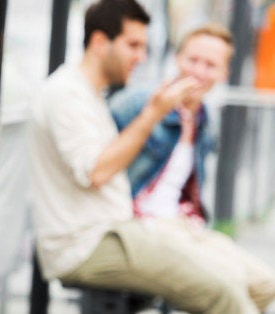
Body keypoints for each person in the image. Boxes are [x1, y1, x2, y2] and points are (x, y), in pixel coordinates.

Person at [29, 0, 265, 313]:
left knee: (261, 286)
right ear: (100, 42)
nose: (141, 57)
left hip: (120, 229)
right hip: (90, 242)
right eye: (133, 45)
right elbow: (97, 172)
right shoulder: (66, 94)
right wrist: (153, 113)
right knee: (226, 294)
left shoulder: (87, 93)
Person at [110, 23, 275, 311]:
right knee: (231, 289)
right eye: (193, 60)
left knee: (264, 283)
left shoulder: (204, 120)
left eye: (210, 65)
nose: (198, 71)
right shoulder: (139, 102)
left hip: (184, 225)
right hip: (140, 225)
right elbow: (98, 156)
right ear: (178, 59)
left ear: (224, 73)